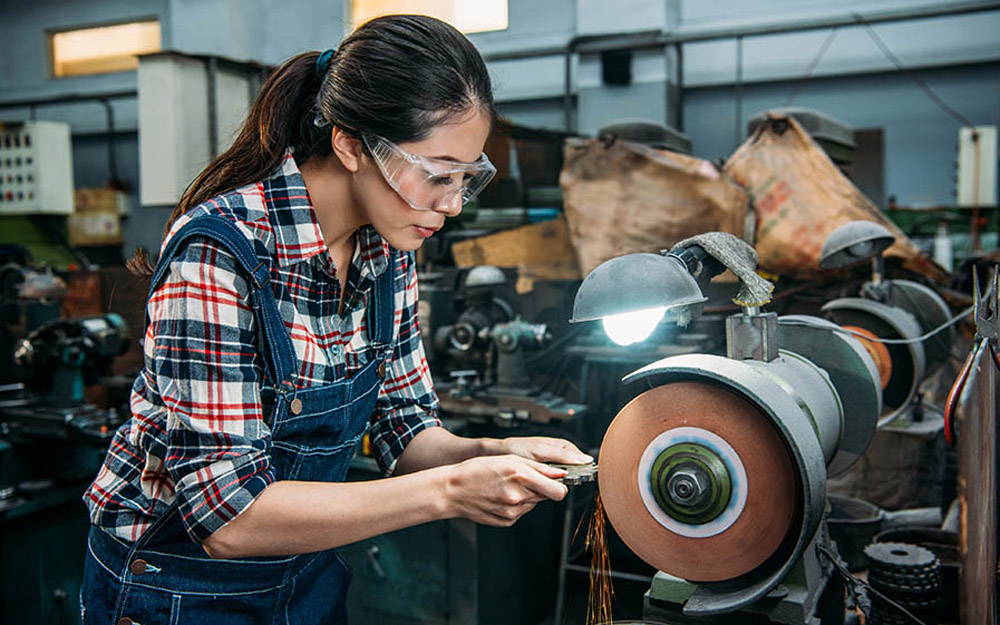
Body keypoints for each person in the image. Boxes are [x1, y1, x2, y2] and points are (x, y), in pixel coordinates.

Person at [80, 14, 591, 625]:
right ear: (351, 143)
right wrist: (452, 491)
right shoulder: (219, 253)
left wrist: (487, 452)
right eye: (436, 174)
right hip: (179, 586)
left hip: (307, 572)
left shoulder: (387, 247)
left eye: (466, 178)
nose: (452, 205)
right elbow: (228, 518)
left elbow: (404, 430)